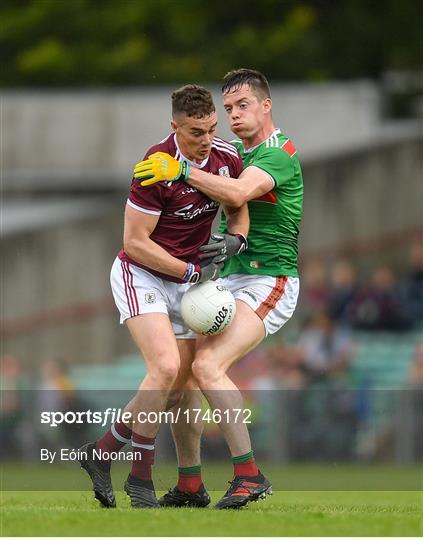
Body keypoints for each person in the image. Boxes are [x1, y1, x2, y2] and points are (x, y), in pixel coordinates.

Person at [135, 68, 303, 509]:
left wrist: (182, 170)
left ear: (266, 105)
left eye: (243, 105)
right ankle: (190, 482)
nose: (234, 115)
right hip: (227, 279)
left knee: (208, 366)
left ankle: (249, 475)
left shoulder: (277, 155)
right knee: (183, 374)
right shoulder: (230, 152)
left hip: (270, 278)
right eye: (227, 108)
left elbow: (240, 192)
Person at [78, 84, 249, 508]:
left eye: (211, 128)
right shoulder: (154, 167)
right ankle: (140, 480)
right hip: (144, 276)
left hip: (187, 284)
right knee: (166, 367)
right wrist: (190, 270)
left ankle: (100, 454)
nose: (206, 140)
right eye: (195, 132)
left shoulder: (226, 157)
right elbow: (135, 243)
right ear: (174, 127)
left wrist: (236, 240)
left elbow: (236, 202)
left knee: (178, 387)